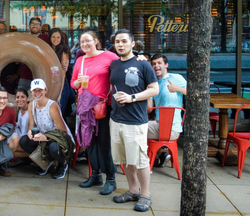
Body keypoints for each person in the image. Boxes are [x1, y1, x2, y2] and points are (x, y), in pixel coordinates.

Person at [109, 29, 159, 212]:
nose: (120, 45)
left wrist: (132, 98)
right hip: (116, 119)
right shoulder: (113, 64)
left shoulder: (143, 65)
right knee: (126, 160)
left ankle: (145, 195)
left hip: (136, 120)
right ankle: (133, 191)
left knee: (140, 160)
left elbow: (154, 89)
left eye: (124, 41)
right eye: (117, 42)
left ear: (132, 44)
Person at [71, 30, 120, 195]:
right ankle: (96, 175)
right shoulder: (80, 60)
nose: (85, 44)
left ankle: (111, 179)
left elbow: (125, 65)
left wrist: (140, 58)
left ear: (96, 41)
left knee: (104, 143)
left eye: (88, 41)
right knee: (90, 143)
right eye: (82, 42)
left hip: (102, 107)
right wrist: (77, 83)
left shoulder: (109, 56)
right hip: (86, 109)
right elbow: (73, 83)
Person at [18, 79, 74, 179]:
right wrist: (30, 132)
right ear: (31, 92)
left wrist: (46, 138)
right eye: (35, 90)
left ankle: (63, 163)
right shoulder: (32, 104)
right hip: (43, 138)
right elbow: (31, 125)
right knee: (24, 141)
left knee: (54, 148)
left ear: (45, 90)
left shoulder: (52, 106)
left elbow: (63, 132)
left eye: (40, 90)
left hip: (58, 139)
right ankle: (46, 161)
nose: (37, 93)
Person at [148, 53, 187, 166]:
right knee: (138, 128)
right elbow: (150, 110)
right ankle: (160, 155)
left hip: (172, 128)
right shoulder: (154, 84)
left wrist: (177, 88)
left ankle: (145, 164)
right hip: (159, 124)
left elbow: (196, 93)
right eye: (154, 64)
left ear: (166, 65)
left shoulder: (176, 78)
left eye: (159, 63)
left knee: (137, 130)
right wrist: (148, 93)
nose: (156, 66)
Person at [18, 17, 50, 91]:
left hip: (41, 75)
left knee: (39, 98)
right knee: (21, 95)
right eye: (33, 24)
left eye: (37, 24)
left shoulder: (45, 38)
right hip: (25, 74)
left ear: (40, 27)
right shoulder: (24, 38)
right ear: (29, 26)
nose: (35, 26)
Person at [49, 28, 72, 116]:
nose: (56, 39)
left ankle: (62, 130)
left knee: (59, 113)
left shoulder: (63, 51)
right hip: (50, 82)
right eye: (53, 37)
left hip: (61, 84)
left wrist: (59, 93)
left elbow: (63, 74)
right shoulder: (48, 49)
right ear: (50, 38)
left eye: (58, 37)